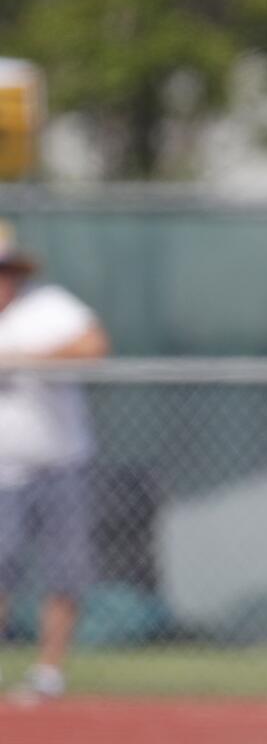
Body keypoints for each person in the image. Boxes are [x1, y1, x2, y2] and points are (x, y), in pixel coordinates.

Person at [0, 222, 110, 702]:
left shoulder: (48, 307)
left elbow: (92, 346)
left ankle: (49, 672)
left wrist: (23, 358)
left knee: (65, 570)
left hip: (59, 463)